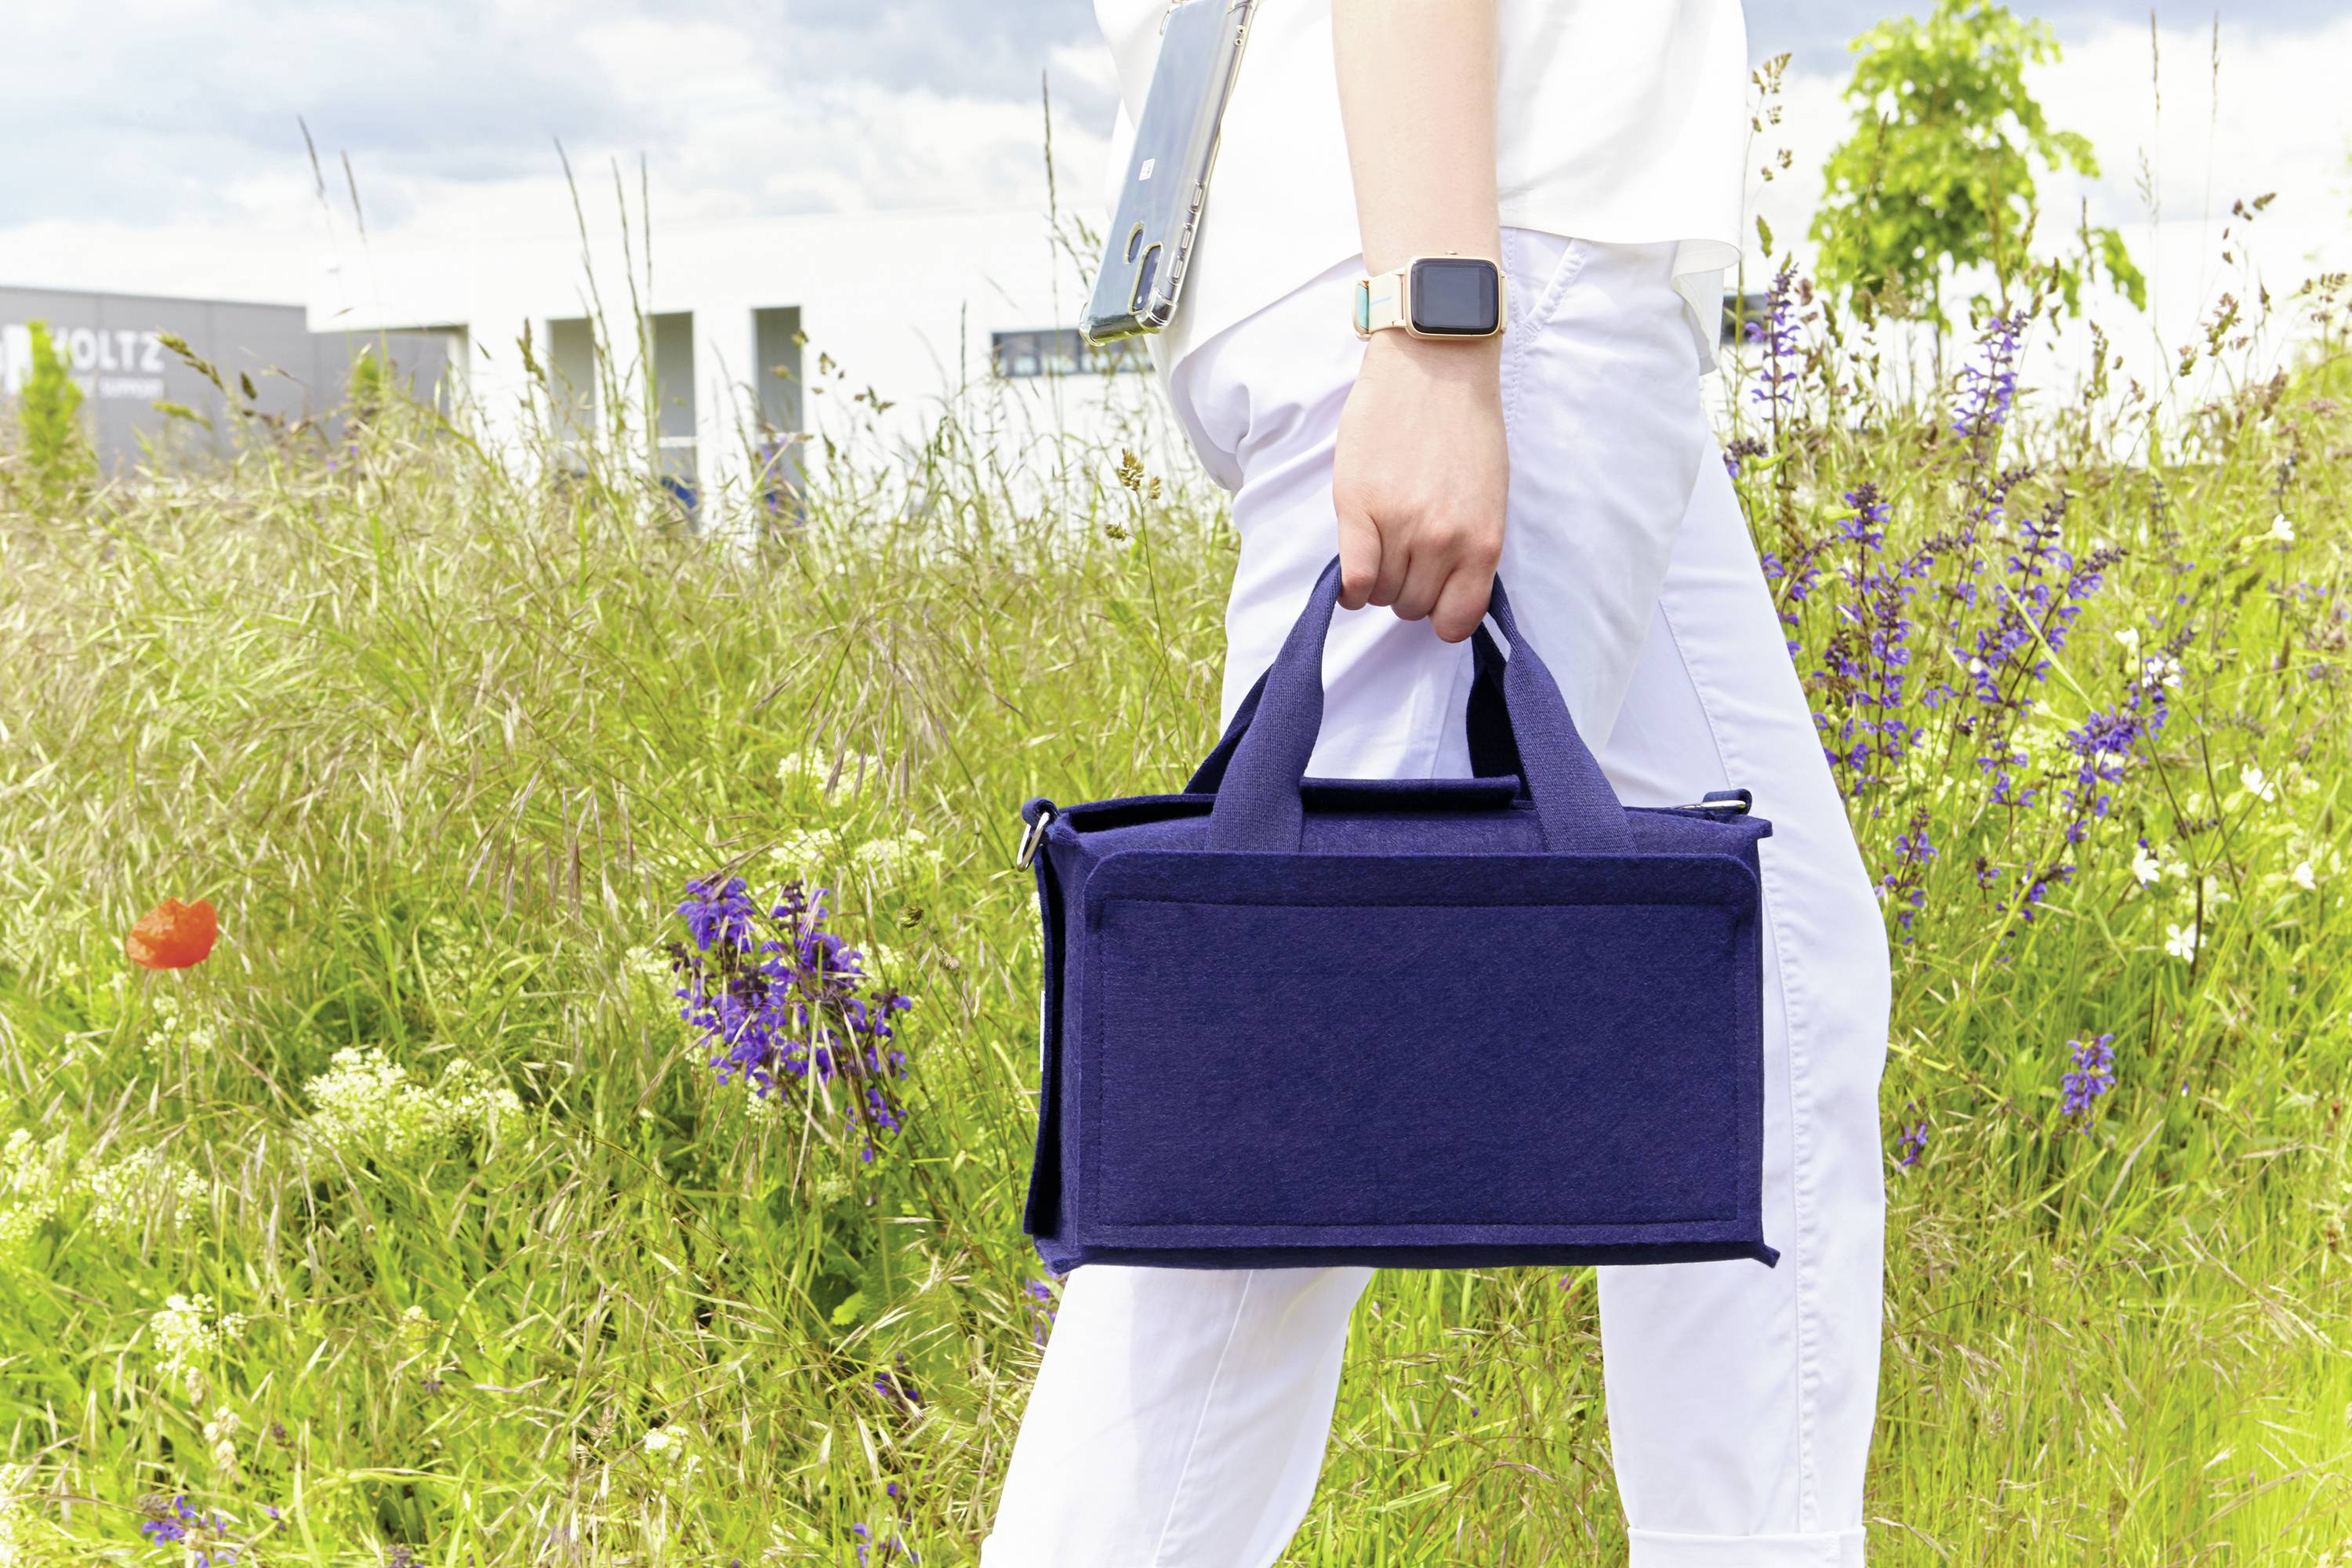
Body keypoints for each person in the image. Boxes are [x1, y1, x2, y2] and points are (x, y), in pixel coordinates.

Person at [983, 2, 1892, 1563]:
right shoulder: (1460, 300)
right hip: (1480, 256)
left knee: (1781, 990)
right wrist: (1436, 319)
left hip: (1507, 245)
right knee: (1268, 1135)